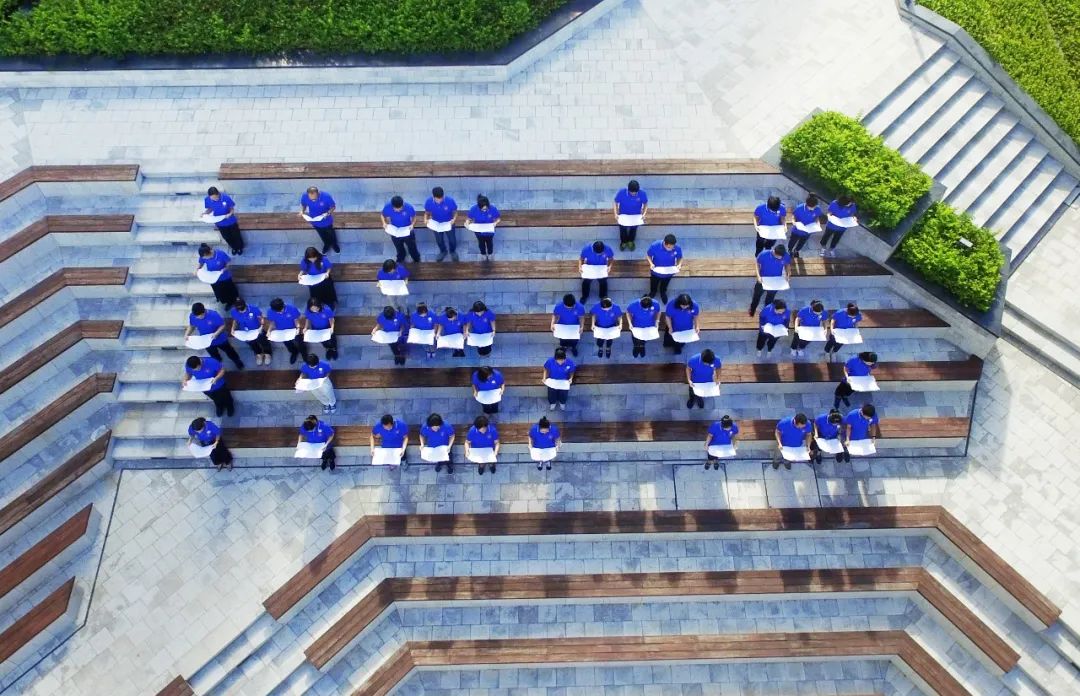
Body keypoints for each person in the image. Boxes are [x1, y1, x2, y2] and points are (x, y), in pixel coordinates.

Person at [186, 302, 244, 369]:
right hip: (206, 341)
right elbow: (192, 326)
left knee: (229, 351)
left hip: (220, 339)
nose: (197, 318)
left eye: (199, 316)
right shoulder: (193, 316)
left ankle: (237, 361)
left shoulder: (213, 315)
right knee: (214, 355)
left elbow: (223, 325)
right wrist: (187, 334)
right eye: (196, 316)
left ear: (204, 312)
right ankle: (218, 362)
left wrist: (216, 333)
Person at [748, 243, 792, 317]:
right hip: (763, 280)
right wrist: (758, 276)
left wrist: (788, 274)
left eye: (781, 257)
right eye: (778, 257)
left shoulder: (786, 255)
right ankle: (752, 309)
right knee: (756, 297)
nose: (780, 258)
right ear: (774, 251)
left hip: (776, 281)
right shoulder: (764, 254)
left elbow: (787, 265)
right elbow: (757, 264)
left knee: (770, 299)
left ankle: (766, 312)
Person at [196, 243, 239, 308]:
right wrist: (197, 269)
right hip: (213, 278)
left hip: (224, 277)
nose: (204, 258)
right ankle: (221, 298)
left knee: (228, 291)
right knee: (218, 291)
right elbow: (201, 263)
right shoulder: (203, 256)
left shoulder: (220, 254)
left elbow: (228, 263)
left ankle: (231, 302)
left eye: (204, 257)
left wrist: (224, 269)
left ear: (208, 254)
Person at [299, 186, 340, 254]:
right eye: (311, 198)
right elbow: (304, 205)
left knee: (331, 234)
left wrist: (327, 213)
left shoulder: (326, 197)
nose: (313, 200)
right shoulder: (304, 196)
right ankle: (326, 244)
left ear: (318, 193)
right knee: (322, 235)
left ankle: (334, 245)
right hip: (314, 221)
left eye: (314, 198)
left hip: (326, 221)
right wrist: (302, 211)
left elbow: (333, 207)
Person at [203, 186, 243, 255]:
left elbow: (232, 208)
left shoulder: (226, 198)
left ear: (218, 194)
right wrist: (205, 213)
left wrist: (230, 214)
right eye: (212, 198)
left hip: (230, 221)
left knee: (236, 235)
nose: (215, 199)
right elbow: (210, 209)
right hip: (220, 223)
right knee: (226, 237)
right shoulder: (207, 200)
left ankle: (239, 247)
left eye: (216, 197)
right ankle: (234, 247)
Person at [381, 195, 421, 264]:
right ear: (392, 206)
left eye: (400, 209)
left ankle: (416, 258)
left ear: (403, 204)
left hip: (407, 231)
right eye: (396, 209)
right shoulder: (387, 207)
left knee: (412, 246)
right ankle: (401, 257)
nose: (398, 210)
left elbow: (414, 217)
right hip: (394, 231)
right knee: (398, 247)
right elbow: (382, 215)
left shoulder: (409, 207)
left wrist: (412, 225)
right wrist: (384, 223)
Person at [230, 299, 271, 365]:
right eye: (239, 311)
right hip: (245, 332)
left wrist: (261, 326)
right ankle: (258, 354)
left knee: (264, 342)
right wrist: (232, 328)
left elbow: (261, 318)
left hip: (257, 330)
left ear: (245, 305)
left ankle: (267, 354)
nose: (241, 312)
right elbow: (235, 320)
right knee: (252, 344)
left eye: (242, 310)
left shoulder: (254, 309)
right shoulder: (233, 311)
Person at [424, 186, 459, 262]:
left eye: (441, 198)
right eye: (437, 199)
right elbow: (426, 213)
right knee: (439, 240)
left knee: (452, 240)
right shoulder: (428, 202)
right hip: (436, 224)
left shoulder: (450, 201)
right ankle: (443, 251)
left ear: (443, 195)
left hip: (449, 223)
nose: (439, 201)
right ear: (433, 196)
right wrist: (425, 219)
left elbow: (455, 212)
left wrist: (454, 219)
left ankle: (452, 251)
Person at [264, 297, 304, 364]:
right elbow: (272, 322)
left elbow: (296, 320)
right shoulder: (270, 312)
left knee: (300, 342)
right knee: (288, 344)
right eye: (278, 312)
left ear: (283, 305)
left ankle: (304, 354)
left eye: (281, 310)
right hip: (281, 331)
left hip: (293, 329)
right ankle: (294, 352)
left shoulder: (292, 309)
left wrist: (298, 328)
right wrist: (269, 330)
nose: (280, 312)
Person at [646, 234, 683, 304]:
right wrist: (651, 263)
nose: (671, 249)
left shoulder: (677, 248)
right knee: (654, 283)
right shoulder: (655, 245)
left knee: (665, 284)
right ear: (665, 243)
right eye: (669, 247)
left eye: (672, 247)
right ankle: (653, 292)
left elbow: (680, 257)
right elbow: (648, 255)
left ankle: (663, 292)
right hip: (656, 271)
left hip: (669, 272)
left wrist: (679, 264)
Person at [613, 179, 648, 251]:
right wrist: (615, 214)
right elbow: (615, 202)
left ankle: (630, 241)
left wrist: (644, 214)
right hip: (623, 215)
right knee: (622, 229)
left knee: (633, 229)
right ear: (628, 189)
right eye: (632, 193)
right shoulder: (622, 192)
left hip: (636, 216)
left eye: (635, 193)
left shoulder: (642, 193)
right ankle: (623, 242)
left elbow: (645, 204)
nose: (633, 194)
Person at [302, 297, 339, 361]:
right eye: (312, 309)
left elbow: (331, 319)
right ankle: (328, 349)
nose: (315, 310)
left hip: (327, 328)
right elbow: (307, 319)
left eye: (316, 308)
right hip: (316, 329)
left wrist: (332, 328)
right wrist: (305, 327)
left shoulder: (326, 309)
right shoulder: (308, 311)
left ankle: (334, 349)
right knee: (323, 341)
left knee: (332, 339)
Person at [466, 194, 500, 260]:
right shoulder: (473, 209)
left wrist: (495, 223)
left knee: (490, 243)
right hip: (479, 232)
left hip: (489, 232)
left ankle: (490, 253)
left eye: (486, 209)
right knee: (481, 244)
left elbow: (498, 218)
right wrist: (467, 224)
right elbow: (468, 219)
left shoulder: (492, 208)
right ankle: (483, 253)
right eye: (483, 209)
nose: (485, 210)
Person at [788, 194, 823, 258]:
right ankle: (790, 250)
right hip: (797, 230)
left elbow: (817, 217)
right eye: (810, 207)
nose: (812, 208)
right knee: (792, 241)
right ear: (806, 204)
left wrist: (818, 223)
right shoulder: (799, 208)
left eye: (814, 207)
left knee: (802, 242)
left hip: (808, 231)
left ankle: (796, 250)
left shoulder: (817, 209)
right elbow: (793, 216)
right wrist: (793, 222)